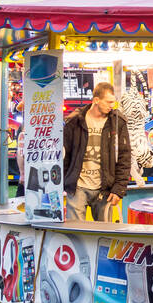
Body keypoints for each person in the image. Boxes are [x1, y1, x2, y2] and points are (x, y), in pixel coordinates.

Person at [64, 82, 133, 222]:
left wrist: (119, 189)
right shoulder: (74, 121)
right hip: (78, 186)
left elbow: (124, 157)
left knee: (105, 236)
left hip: (105, 189)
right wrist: (65, 182)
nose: (112, 105)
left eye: (113, 102)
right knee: (75, 234)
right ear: (96, 100)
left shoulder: (118, 122)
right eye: (108, 102)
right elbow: (65, 154)